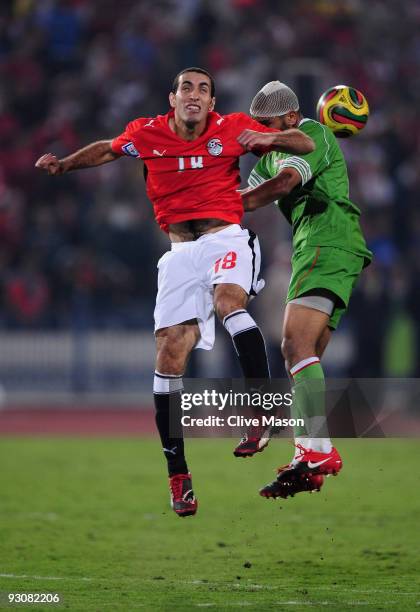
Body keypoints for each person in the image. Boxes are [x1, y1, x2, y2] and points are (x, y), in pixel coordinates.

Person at [35, 68, 315, 517]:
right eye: (187, 87)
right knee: (169, 354)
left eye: (204, 89)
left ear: (212, 103)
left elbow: (306, 143)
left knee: (229, 304)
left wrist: (270, 141)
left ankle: (260, 414)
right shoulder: (146, 133)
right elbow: (107, 150)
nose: (195, 95)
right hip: (179, 253)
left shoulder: (235, 126)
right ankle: (178, 476)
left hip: (226, 238)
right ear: (173, 98)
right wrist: (65, 164)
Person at [241, 81, 372, 499]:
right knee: (304, 357)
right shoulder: (266, 161)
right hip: (326, 247)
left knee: (294, 345)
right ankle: (308, 460)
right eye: (256, 124)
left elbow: (280, 187)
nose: (260, 131)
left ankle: (319, 452)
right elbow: (248, 197)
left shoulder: (313, 133)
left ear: (291, 119)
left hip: (324, 239)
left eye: (268, 124)